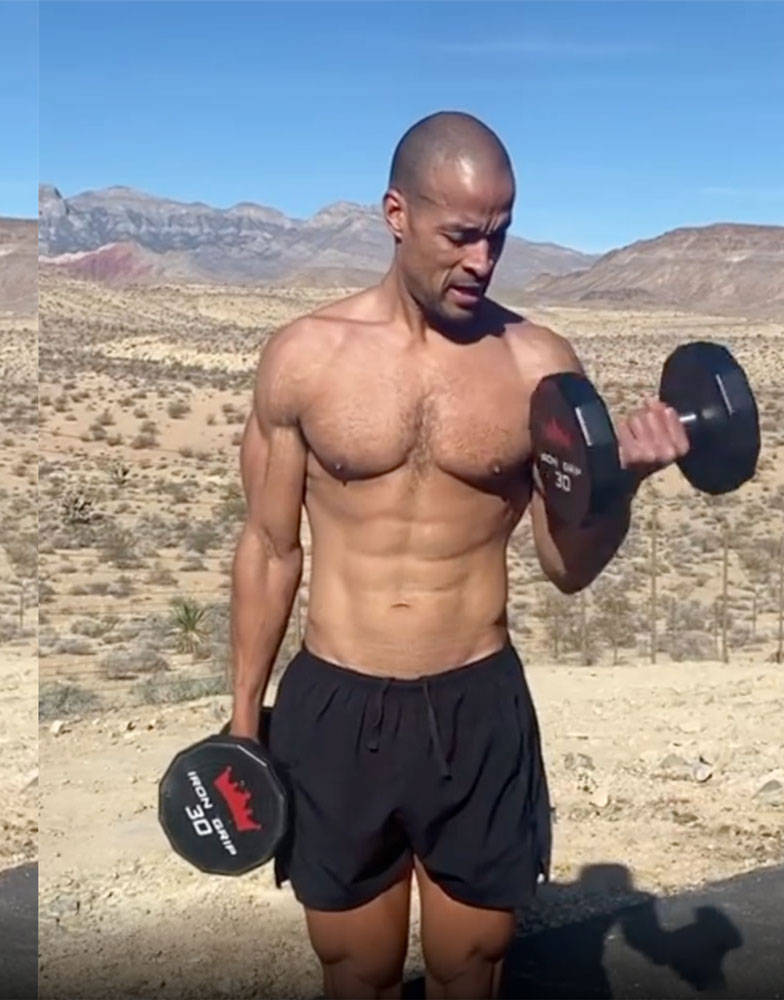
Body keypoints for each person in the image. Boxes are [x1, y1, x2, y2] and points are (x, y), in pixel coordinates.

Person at [228, 110, 689, 999]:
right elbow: (268, 547)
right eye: (462, 235)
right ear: (396, 213)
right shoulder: (304, 357)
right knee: (356, 970)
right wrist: (244, 719)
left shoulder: (539, 367)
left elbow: (567, 565)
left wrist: (623, 478)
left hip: (477, 704)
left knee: (469, 969)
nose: (483, 260)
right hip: (337, 702)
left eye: (501, 236)